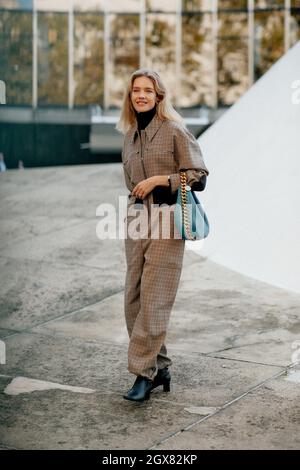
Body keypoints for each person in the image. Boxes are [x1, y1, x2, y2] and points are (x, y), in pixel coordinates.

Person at [116, 69, 209, 402]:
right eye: (135, 90)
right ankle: (161, 366)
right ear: (130, 97)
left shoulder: (173, 131)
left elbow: (198, 177)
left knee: (154, 300)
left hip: (169, 220)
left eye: (148, 90)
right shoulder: (129, 136)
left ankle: (144, 373)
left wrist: (160, 181)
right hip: (137, 218)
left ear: (159, 96)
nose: (141, 95)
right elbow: (130, 182)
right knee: (133, 299)